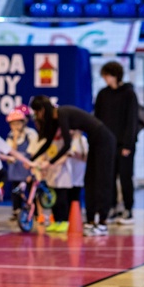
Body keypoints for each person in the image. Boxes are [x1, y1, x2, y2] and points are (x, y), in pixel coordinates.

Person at [30, 95, 116, 236]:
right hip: (95, 141)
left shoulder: (62, 113)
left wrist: (49, 163)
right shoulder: (56, 118)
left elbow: (67, 145)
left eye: (37, 111)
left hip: (104, 139)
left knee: (102, 180)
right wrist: (31, 159)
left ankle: (102, 222)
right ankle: (90, 221)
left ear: (42, 109)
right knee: (90, 181)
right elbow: (47, 142)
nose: (38, 115)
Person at [93, 61, 140, 225]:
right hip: (107, 143)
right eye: (104, 76)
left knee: (126, 177)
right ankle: (111, 208)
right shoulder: (102, 94)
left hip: (124, 144)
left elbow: (132, 121)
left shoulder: (129, 94)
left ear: (116, 75)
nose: (106, 79)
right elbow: (97, 119)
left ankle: (128, 209)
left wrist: (128, 144)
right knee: (108, 177)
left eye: (108, 75)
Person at [5, 105, 39, 221]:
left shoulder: (31, 133)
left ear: (24, 122)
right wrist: (15, 138)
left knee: (30, 190)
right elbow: (10, 151)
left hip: (27, 166)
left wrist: (31, 168)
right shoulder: (10, 135)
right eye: (13, 124)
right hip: (16, 168)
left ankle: (34, 212)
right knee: (15, 190)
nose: (15, 126)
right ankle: (16, 211)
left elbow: (33, 151)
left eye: (18, 123)